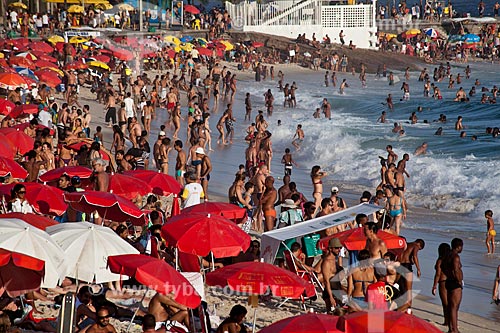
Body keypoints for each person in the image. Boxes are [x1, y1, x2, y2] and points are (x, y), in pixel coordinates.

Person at [441, 238, 463, 333]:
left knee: (451, 306)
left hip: (448, 281)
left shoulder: (447, 255)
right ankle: (454, 329)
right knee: (454, 307)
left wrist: (448, 274)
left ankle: (451, 328)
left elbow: (442, 267)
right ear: (458, 247)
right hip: (455, 282)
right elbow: (456, 270)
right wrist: (459, 280)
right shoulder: (455, 257)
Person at [399, 239, 425, 311]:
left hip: (400, 265)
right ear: (419, 244)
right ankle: (409, 308)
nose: (418, 250)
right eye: (419, 249)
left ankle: (402, 306)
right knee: (409, 289)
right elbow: (415, 256)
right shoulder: (415, 245)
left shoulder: (406, 244)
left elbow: (404, 255)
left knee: (402, 288)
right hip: (407, 266)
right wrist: (418, 269)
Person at [321, 237, 345, 312]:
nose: (339, 250)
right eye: (337, 248)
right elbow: (326, 281)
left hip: (337, 291)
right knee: (331, 315)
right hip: (330, 292)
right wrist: (331, 297)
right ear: (331, 249)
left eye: (340, 248)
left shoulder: (335, 259)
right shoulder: (327, 262)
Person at [432, 243, 451, 326]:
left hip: (443, 282)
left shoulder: (440, 260)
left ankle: (447, 321)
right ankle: (452, 321)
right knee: (451, 303)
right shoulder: (451, 259)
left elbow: (438, 274)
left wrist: (434, 286)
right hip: (451, 281)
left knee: (445, 303)